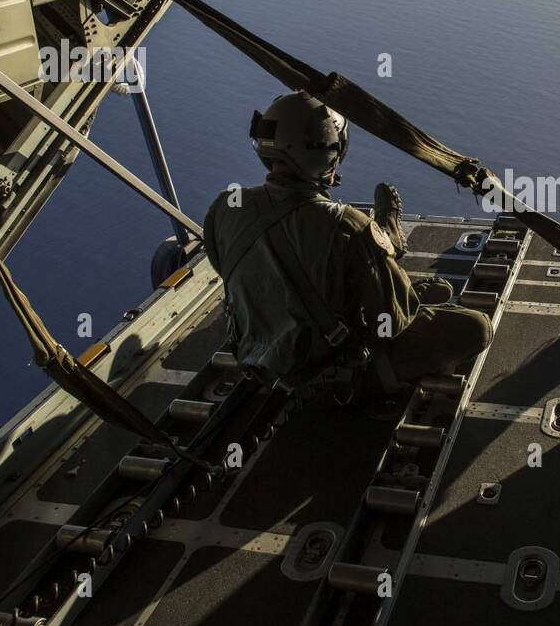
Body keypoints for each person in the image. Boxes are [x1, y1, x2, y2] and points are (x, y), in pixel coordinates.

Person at [203, 92, 493, 399]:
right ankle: (392, 246)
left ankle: (390, 261)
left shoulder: (224, 208)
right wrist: (377, 242)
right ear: (326, 153)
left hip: (258, 362)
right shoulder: (346, 224)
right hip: (331, 372)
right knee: (475, 326)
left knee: (420, 290)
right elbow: (392, 323)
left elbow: (230, 270)